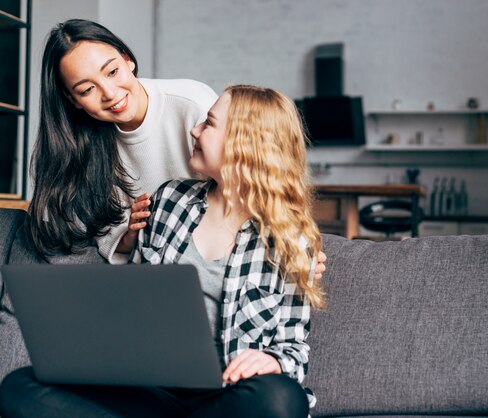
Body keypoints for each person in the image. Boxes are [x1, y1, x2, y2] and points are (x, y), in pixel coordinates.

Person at [0, 85, 324, 418]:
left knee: (282, 400)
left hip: (225, 396)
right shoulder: (169, 201)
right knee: (21, 386)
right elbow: (135, 300)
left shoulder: (291, 239)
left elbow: (294, 350)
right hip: (148, 390)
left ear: (245, 144)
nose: (194, 129)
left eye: (209, 123)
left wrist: (273, 360)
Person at [26, 18, 327, 275]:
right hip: (147, 265)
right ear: (71, 99)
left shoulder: (191, 106)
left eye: (113, 71)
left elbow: (251, 173)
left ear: (127, 59)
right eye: (87, 89)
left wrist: (291, 242)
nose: (109, 93)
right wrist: (130, 236)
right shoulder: (78, 144)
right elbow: (77, 229)